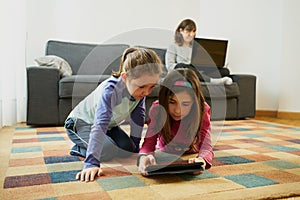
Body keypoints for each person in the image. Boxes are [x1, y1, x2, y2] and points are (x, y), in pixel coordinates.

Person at [65, 47, 163, 182]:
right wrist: (91, 163)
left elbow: (138, 118)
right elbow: (100, 124)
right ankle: (78, 148)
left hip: (110, 127)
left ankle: (100, 143)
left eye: (151, 87)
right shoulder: (110, 91)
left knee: (126, 148)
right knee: (106, 150)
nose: (146, 92)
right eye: (142, 87)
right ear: (125, 77)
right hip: (80, 123)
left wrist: (134, 149)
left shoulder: (140, 91)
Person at [137, 68, 214, 175]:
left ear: (194, 103)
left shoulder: (202, 109)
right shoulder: (157, 109)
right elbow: (148, 144)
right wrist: (143, 157)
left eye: (185, 104)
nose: (177, 110)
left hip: (192, 150)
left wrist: (202, 160)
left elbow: (206, 146)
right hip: (166, 149)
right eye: (172, 102)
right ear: (164, 100)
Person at [165, 18, 233, 85]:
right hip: (185, 72)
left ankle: (200, 77)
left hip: (199, 70)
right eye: (188, 31)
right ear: (181, 31)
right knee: (182, 66)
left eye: (193, 31)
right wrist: (185, 66)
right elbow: (170, 66)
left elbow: (202, 61)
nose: (191, 34)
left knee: (225, 71)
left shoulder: (197, 46)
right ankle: (212, 81)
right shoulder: (173, 46)